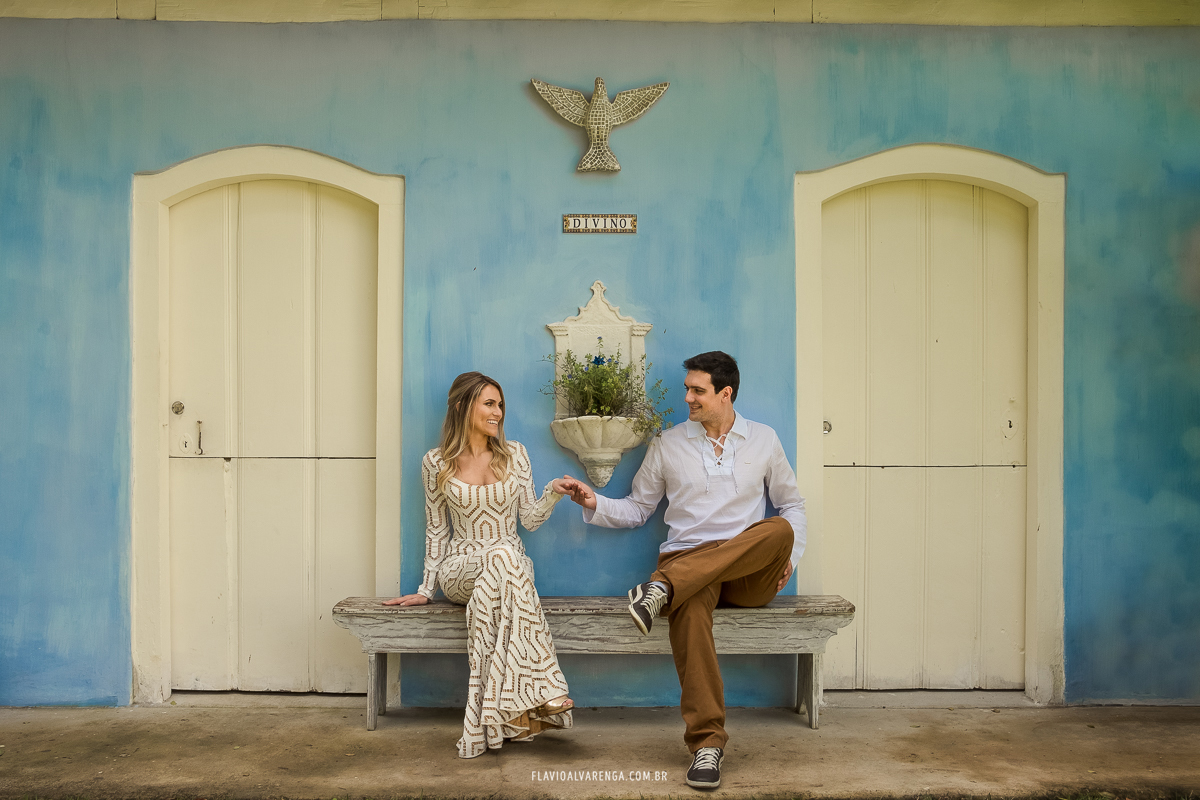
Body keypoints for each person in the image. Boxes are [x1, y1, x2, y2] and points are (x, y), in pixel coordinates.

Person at [559, 351, 806, 790]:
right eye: (687, 388)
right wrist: (592, 501)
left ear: (725, 394)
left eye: (698, 390)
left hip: (746, 570)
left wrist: (792, 554)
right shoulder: (669, 443)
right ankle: (707, 746)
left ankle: (661, 588)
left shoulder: (764, 440)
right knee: (689, 608)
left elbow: (793, 504)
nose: (687, 397)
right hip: (689, 562)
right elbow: (639, 507)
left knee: (781, 528)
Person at [385, 371, 576, 759]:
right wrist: (426, 591)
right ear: (461, 406)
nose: (498, 412)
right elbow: (437, 531)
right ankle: (545, 690)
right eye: (489, 403)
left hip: (509, 571)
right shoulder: (435, 462)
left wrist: (552, 494)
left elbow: (530, 519)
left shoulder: (515, 454)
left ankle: (505, 712)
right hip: (459, 570)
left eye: (500, 404)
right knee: (506, 557)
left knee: (506, 559)